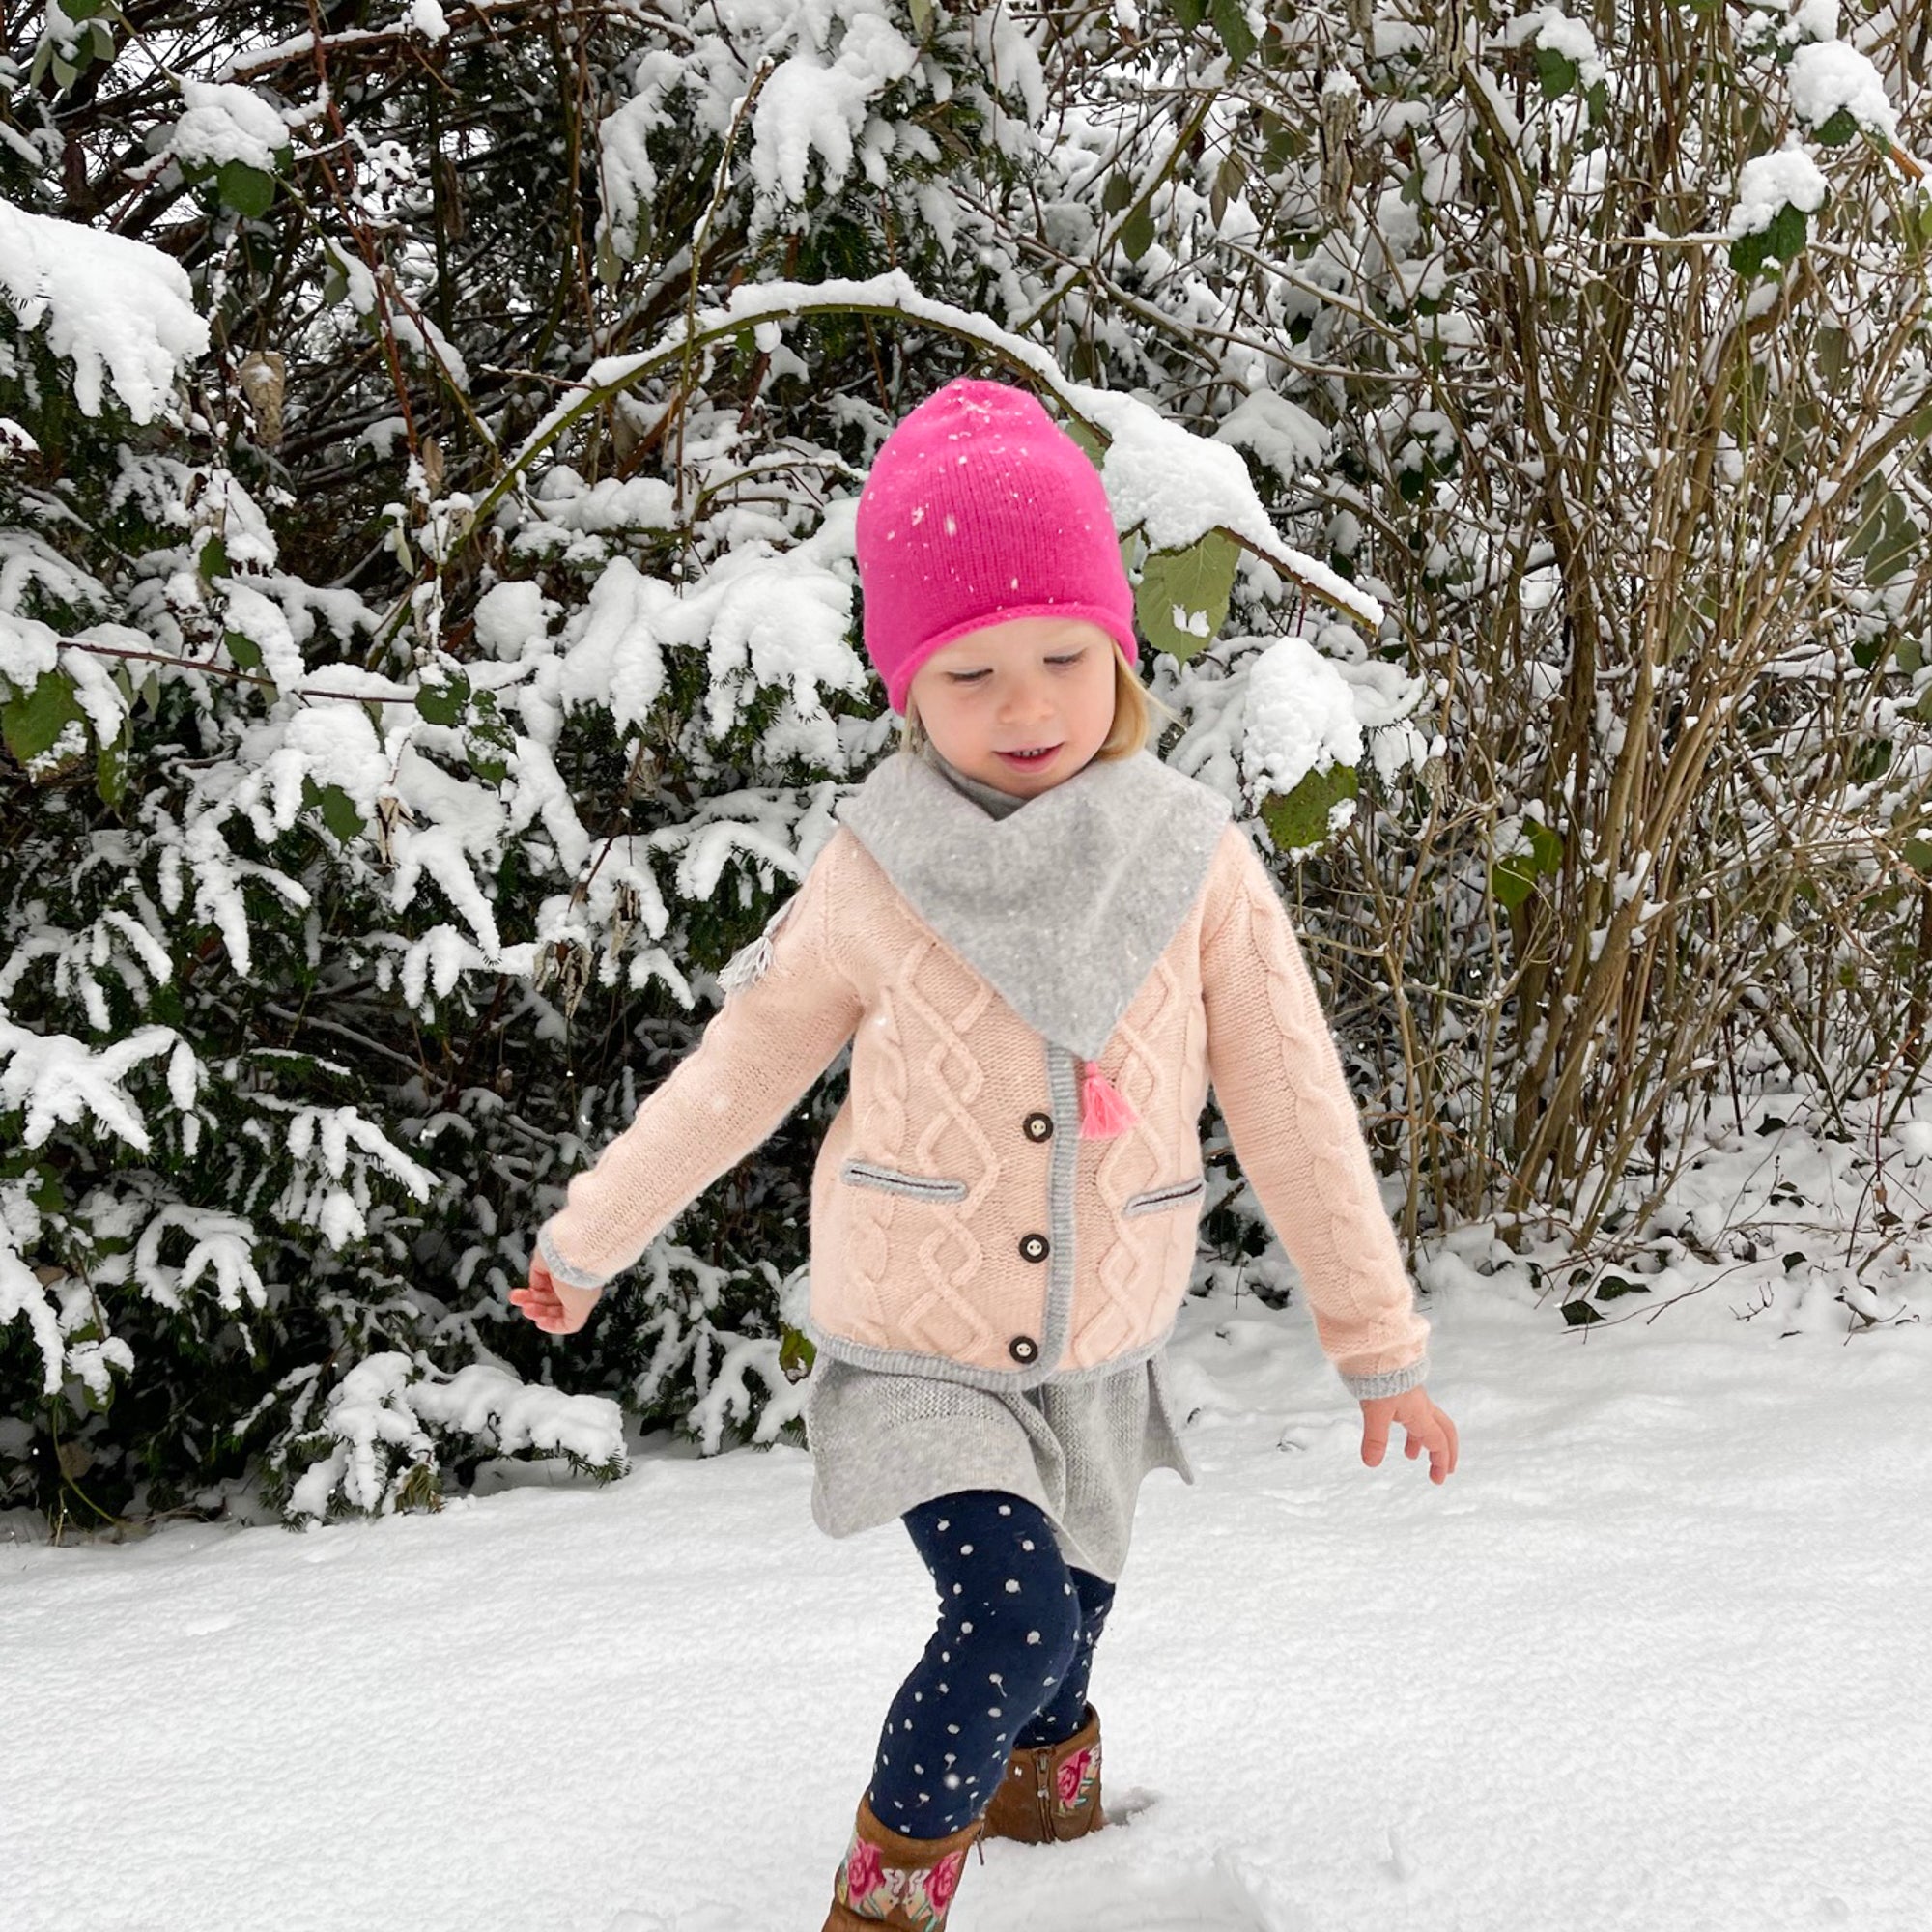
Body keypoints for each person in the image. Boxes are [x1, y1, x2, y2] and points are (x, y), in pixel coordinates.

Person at [510, 377, 1459, 1929]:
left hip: (1103, 1334)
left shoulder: (1193, 863)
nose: (1026, 707)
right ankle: (886, 1897)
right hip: (918, 1339)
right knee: (1009, 1612)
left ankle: (1052, 1795)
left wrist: (1376, 1342)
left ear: (1120, 653)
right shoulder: (878, 871)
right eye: (971, 674)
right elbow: (743, 1067)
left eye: (1063, 660)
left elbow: (1293, 1101)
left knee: (1072, 1607)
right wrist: (595, 1233)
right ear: (906, 689)